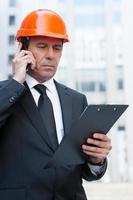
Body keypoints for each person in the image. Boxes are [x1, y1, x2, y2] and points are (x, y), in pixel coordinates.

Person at [0, 9, 112, 200]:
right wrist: (16, 82)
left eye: (57, 48)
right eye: (42, 46)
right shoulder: (7, 94)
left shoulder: (77, 101)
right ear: (22, 49)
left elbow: (84, 170)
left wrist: (97, 159)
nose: (51, 55)